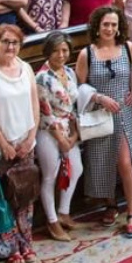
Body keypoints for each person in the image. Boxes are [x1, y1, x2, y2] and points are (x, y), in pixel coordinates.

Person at [77, 5, 132, 237]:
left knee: (125, 161)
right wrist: (98, 97)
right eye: (106, 24)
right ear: (97, 26)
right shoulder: (87, 53)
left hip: (123, 113)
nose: (110, 28)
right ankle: (111, 204)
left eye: (114, 24)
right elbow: (81, 86)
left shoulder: (128, 48)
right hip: (100, 114)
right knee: (103, 160)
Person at [0, 24, 39, 263]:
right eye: (5, 41)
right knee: (6, 198)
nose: (10, 47)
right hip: (2, 146)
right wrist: (4, 143)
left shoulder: (25, 67)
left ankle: (26, 242)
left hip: (25, 142)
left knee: (25, 195)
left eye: (14, 42)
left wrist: (30, 137)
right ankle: (10, 248)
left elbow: (34, 104)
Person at [35, 32, 83, 241]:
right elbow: (44, 110)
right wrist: (60, 138)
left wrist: (73, 134)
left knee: (77, 168)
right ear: (48, 51)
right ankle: (52, 221)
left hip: (67, 126)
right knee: (50, 175)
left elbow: (72, 104)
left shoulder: (70, 72)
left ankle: (64, 211)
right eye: (56, 50)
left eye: (64, 50)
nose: (61, 54)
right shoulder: (42, 77)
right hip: (48, 130)